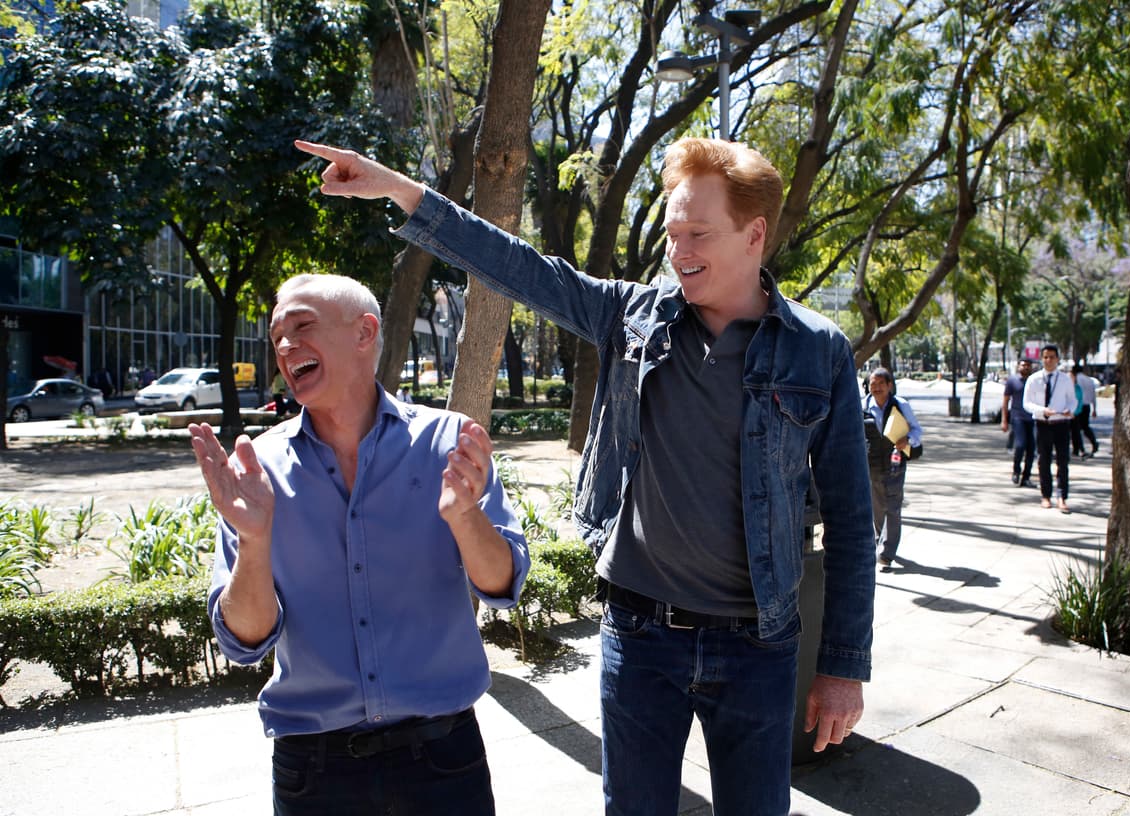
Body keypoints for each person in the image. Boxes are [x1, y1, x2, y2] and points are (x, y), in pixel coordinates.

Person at [293, 137, 876, 816]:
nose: (678, 250)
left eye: (698, 233)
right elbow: (516, 266)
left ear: (754, 235)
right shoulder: (630, 316)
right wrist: (398, 187)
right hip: (642, 639)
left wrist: (843, 666)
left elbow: (852, 523)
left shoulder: (818, 351)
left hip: (758, 647)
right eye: (671, 232)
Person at [188, 274, 529, 816]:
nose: (284, 346)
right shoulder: (257, 471)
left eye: (301, 327)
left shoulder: (449, 442)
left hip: (444, 760)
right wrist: (254, 541)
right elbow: (244, 642)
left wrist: (465, 517)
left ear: (365, 332)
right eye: (277, 336)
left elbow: (502, 585)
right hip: (316, 774)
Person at [862, 368, 924, 569]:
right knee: (877, 505)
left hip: (895, 461)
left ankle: (887, 551)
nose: (876, 387)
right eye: (873, 383)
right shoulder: (862, 406)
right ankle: (881, 540)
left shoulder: (900, 405)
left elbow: (917, 430)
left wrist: (907, 439)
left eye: (881, 383)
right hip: (871, 463)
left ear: (889, 385)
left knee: (893, 505)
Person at [1022, 344, 1078, 513]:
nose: (1048, 360)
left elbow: (1072, 400)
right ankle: (1045, 495)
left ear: (1057, 359)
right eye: (1045, 357)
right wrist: (1041, 410)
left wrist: (1070, 410)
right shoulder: (1034, 379)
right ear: (1042, 359)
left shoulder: (1065, 379)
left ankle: (1062, 496)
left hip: (1061, 423)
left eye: (1052, 357)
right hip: (1042, 424)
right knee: (1043, 460)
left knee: (1063, 461)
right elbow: (1026, 403)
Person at [1001, 358, 1037, 487]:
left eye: (1028, 365)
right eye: (1023, 365)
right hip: (1017, 417)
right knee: (1020, 445)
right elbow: (1005, 401)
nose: (1026, 367)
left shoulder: (1034, 381)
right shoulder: (1012, 381)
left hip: (1032, 417)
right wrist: (1004, 420)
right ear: (1018, 366)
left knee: (1031, 448)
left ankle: (1026, 477)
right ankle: (1016, 470)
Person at [1071, 363, 1099, 457]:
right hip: (1087, 406)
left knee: (1075, 429)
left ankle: (1078, 449)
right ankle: (1093, 443)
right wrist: (1094, 408)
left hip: (1077, 406)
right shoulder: (1089, 380)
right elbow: (1093, 395)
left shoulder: (1076, 379)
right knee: (1085, 427)